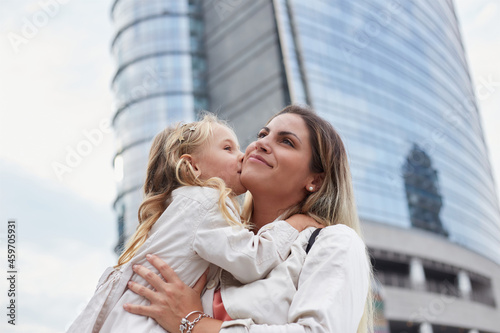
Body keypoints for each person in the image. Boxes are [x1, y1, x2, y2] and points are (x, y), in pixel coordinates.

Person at [124, 105, 374, 333]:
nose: (261, 144)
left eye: (286, 142)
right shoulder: (210, 245)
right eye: (262, 134)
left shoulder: (334, 242)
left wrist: (193, 323)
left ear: (315, 180)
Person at [67, 114, 320, 333]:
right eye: (228, 149)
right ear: (193, 166)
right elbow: (252, 261)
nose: (243, 155)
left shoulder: (189, 204)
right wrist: (294, 225)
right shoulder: (205, 202)